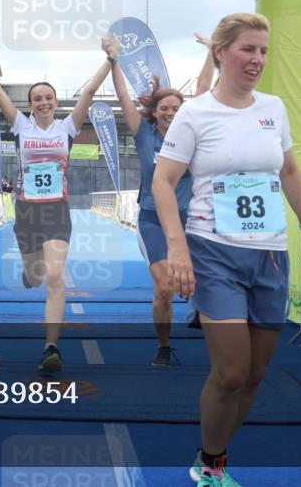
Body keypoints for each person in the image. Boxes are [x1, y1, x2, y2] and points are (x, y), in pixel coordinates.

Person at [152, 13, 301, 487]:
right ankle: (211, 465)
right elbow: (163, 181)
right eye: (247, 49)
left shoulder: (273, 107)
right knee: (230, 372)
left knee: (255, 374)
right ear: (221, 52)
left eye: (263, 51)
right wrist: (178, 249)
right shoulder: (194, 113)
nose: (257, 60)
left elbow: (289, 172)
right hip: (214, 251)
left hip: (270, 253)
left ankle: (213, 451)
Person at [0, 32, 114, 372]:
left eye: (48, 97)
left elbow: (89, 93)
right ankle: (28, 270)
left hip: (56, 210)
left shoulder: (67, 127)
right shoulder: (21, 125)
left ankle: (51, 347)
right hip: (27, 211)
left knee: (54, 277)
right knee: (36, 276)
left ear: (55, 102)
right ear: (31, 104)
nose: (44, 102)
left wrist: (110, 59)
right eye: (37, 98)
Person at [106, 33, 215, 367]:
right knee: (166, 287)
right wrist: (113, 60)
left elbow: (204, 89)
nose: (171, 112)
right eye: (164, 108)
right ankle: (164, 345)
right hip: (153, 219)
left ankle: (211, 329)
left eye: (176, 108)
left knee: (209, 284)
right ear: (154, 112)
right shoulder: (144, 134)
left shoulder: (193, 131)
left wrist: (212, 51)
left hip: (194, 221)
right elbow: (123, 95)